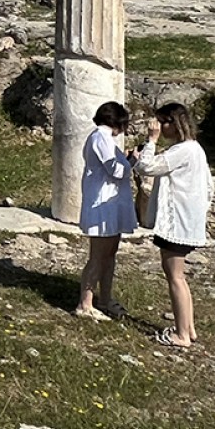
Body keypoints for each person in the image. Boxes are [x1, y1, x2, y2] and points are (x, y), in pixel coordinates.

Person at [131, 102, 212, 348]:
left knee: (175, 276)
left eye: (161, 122)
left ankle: (181, 335)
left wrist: (150, 141)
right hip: (186, 220)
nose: (158, 127)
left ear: (172, 124)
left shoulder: (183, 150)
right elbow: (209, 186)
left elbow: (148, 167)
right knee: (179, 276)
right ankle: (189, 328)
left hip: (177, 222)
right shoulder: (194, 149)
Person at [76, 101, 137, 320]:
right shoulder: (100, 137)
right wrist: (132, 164)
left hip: (112, 205)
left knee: (110, 254)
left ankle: (104, 298)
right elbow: (114, 170)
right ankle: (85, 303)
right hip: (102, 205)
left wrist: (128, 161)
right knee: (98, 256)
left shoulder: (105, 139)